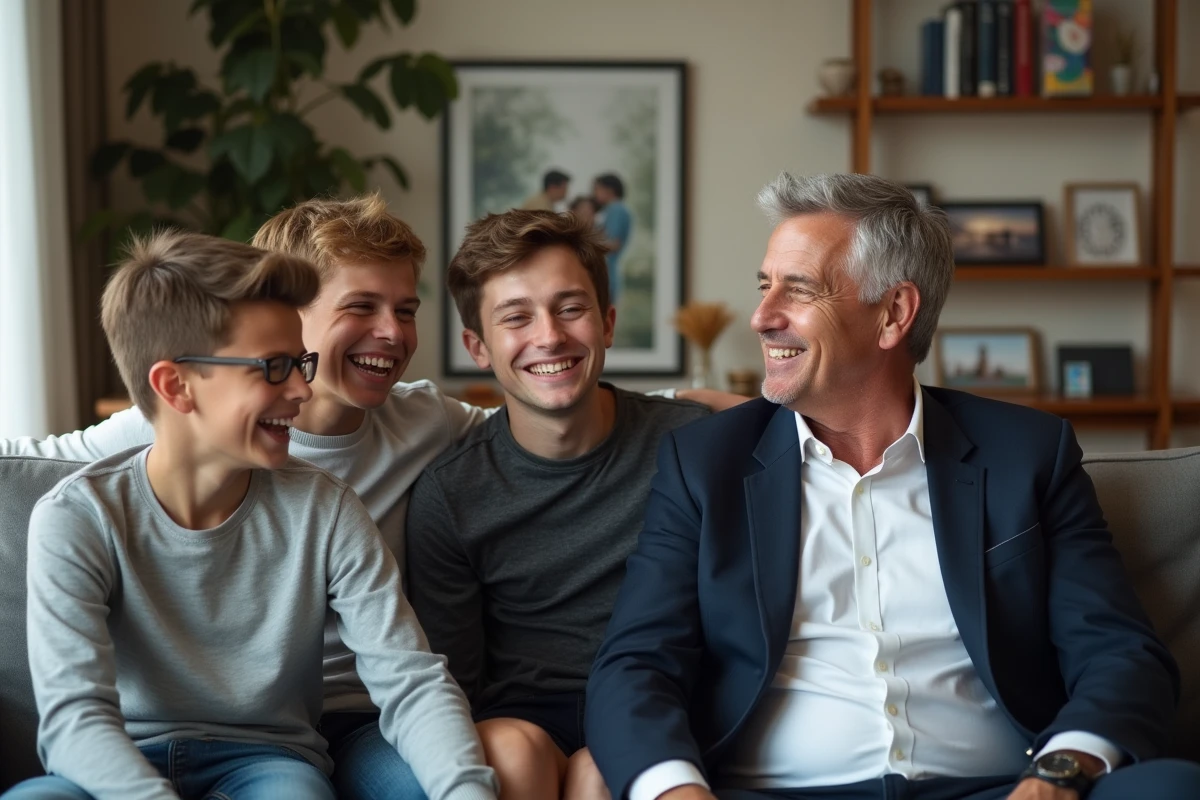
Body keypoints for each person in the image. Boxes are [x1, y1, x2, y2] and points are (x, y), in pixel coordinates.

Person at [0, 193, 739, 800]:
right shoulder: (138, 447)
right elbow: (30, 462)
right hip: (169, 734)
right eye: (361, 307)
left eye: (407, 309)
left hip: (347, 725)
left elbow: (542, 407)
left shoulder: (414, 427)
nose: (391, 333)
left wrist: (694, 408)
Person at [585, 173, 1200, 800]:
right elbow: (635, 666)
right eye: (765, 287)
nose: (762, 318)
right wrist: (674, 791)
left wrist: (1056, 777)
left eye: (797, 291)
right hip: (773, 794)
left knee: (1174, 788)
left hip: (996, 790)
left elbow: (1120, 655)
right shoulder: (704, 464)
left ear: (893, 314)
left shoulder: (1028, 455)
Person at [2, 232, 496, 800]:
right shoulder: (75, 517)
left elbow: (411, 678)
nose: (302, 390)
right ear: (175, 385)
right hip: (116, 757)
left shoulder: (326, 508)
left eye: (299, 364)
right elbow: (74, 722)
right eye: (274, 368)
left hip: (270, 760)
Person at [405, 209, 711, 800]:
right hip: (521, 721)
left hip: (656, 704)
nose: (549, 336)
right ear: (478, 346)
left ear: (608, 322)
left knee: (605, 771)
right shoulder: (450, 493)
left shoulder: (690, 445)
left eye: (571, 308)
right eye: (516, 318)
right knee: (513, 754)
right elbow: (453, 682)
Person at [592, 174, 631, 303]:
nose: (594, 193)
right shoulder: (612, 210)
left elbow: (613, 244)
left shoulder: (616, 209)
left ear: (609, 190)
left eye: (597, 189)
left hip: (607, 275)